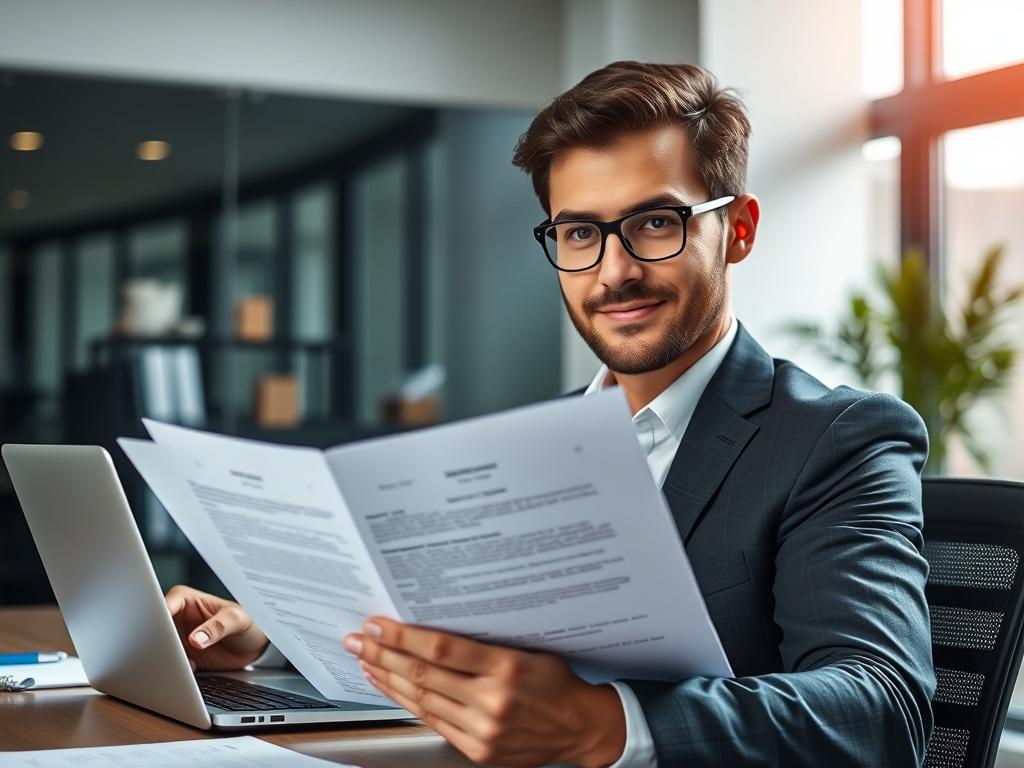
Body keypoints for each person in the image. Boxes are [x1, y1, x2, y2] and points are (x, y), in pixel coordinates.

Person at [164, 62, 935, 766]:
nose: (615, 270)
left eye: (657, 222)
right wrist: (272, 636)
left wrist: (606, 724)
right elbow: (457, 640)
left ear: (737, 230)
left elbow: (882, 710)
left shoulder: (837, 439)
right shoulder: (539, 444)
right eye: (579, 233)